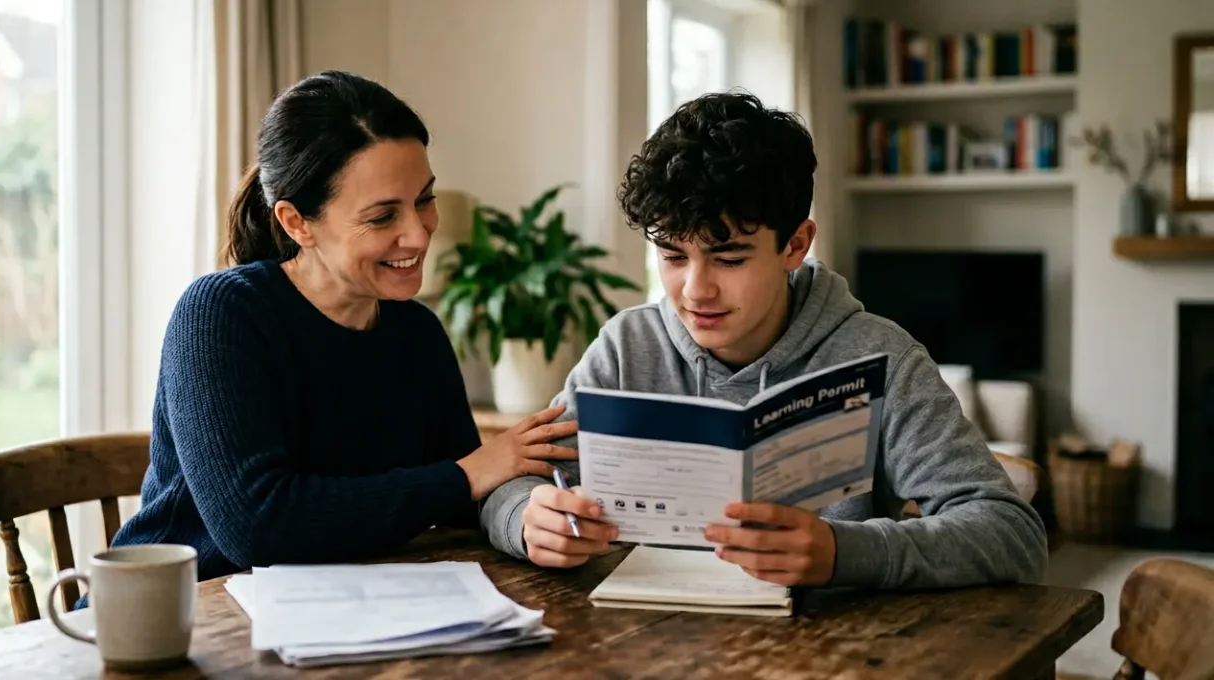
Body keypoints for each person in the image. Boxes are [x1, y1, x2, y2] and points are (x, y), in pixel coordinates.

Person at [479, 91, 1048, 590]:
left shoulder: (882, 359)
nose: (694, 290)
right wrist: (526, 519)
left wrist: (843, 551)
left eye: (728, 258)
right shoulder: (627, 346)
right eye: (673, 257)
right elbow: (513, 482)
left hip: (824, 653)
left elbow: (1011, 531)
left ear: (796, 244)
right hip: (641, 640)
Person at [100, 70, 577, 586]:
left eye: (423, 199)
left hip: (343, 608)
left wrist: (528, 518)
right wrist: (468, 474)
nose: (418, 235)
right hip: (180, 622)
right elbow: (257, 530)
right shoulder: (220, 316)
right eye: (381, 217)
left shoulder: (416, 333)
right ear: (296, 222)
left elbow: (468, 495)